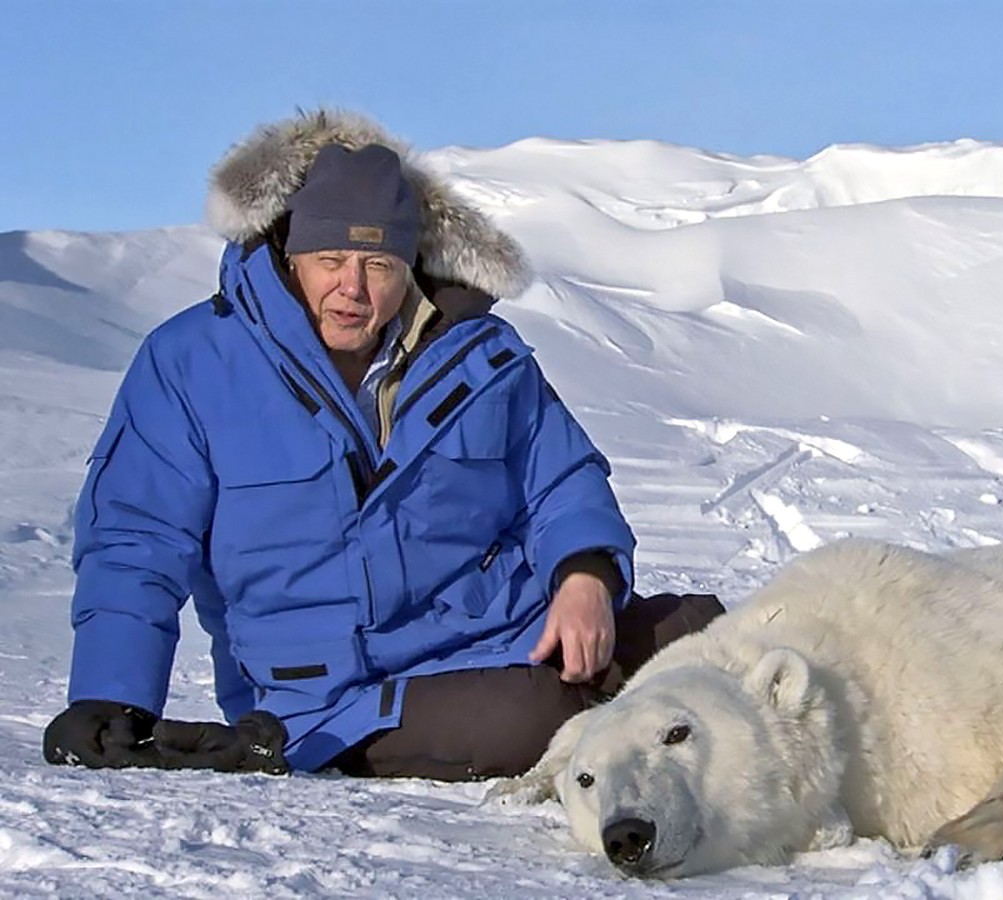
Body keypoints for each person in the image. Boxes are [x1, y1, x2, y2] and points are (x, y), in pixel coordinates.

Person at [41, 110, 721, 780]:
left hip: (499, 634)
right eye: (330, 260)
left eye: (377, 263)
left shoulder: (483, 358)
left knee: (710, 637)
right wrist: (112, 696)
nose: (352, 288)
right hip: (326, 697)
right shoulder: (192, 362)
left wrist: (584, 577)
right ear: (290, 254)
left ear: (410, 266)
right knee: (539, 713)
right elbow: (136, 537)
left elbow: (562, 481)